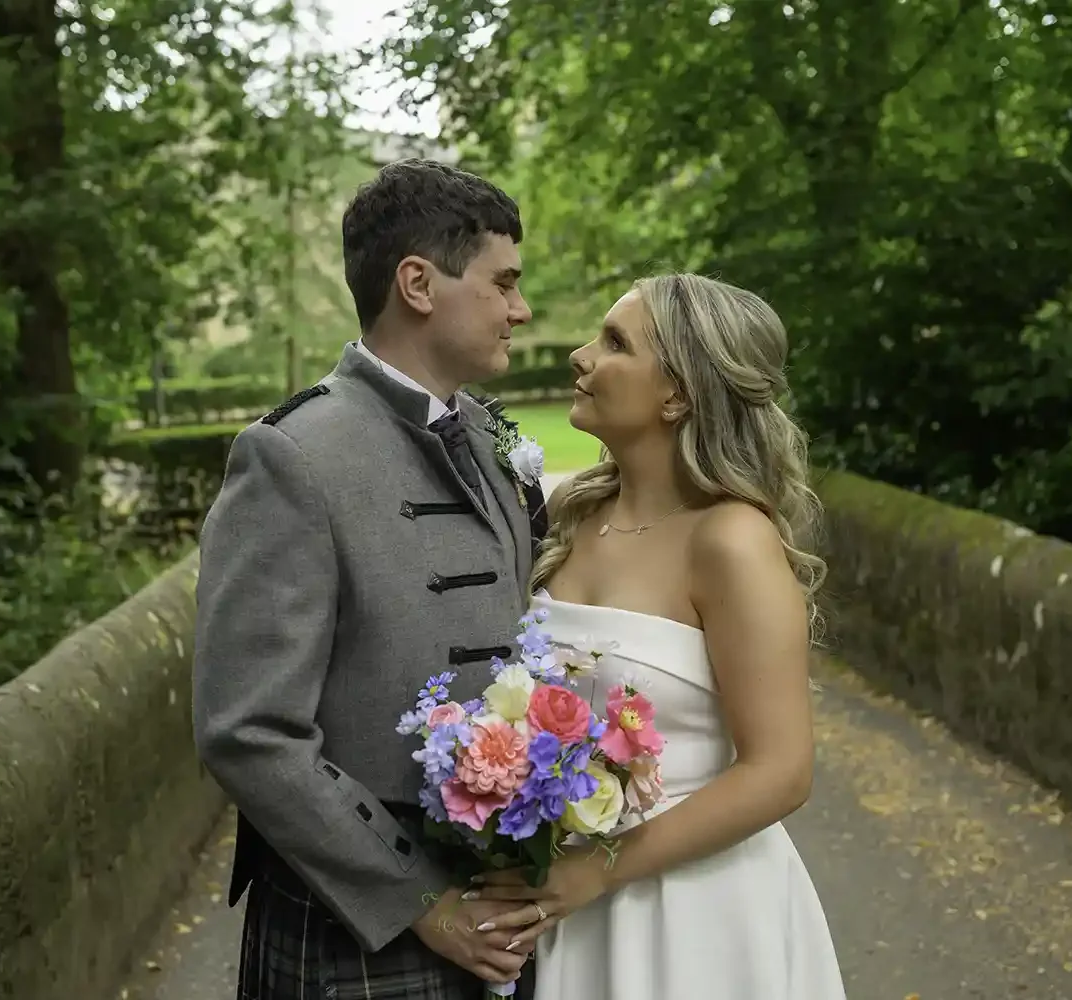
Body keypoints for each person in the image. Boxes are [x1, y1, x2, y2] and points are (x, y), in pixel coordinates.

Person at [192, 158, 551, 999]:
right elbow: (248, 729)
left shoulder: (492, 439)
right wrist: (420, 899)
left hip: (502, 907)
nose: (520, 310)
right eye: (504, 284)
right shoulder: (291, 457)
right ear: (419, 284)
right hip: (358, 927)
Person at [467, 273, 847, 999]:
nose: (581, 356)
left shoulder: (732, 541)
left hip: (700, 914)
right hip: (575, 911)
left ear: (677, 394)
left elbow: (781, 770)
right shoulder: (569, 517)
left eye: (614, 343)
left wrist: (595, 870)